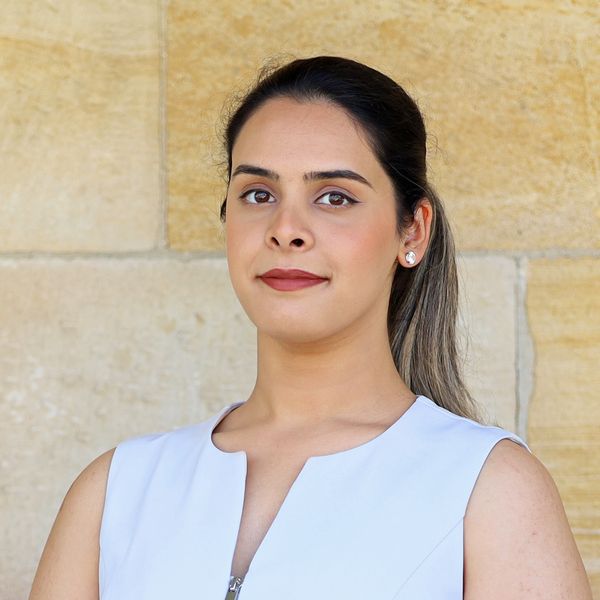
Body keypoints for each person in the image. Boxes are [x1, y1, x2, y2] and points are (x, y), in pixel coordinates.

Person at [29, 55, 592, 600]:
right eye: (259, 194)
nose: (286, 229)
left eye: (334, 197)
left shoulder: (489, 490)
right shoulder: (115, 493)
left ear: (412, 232)